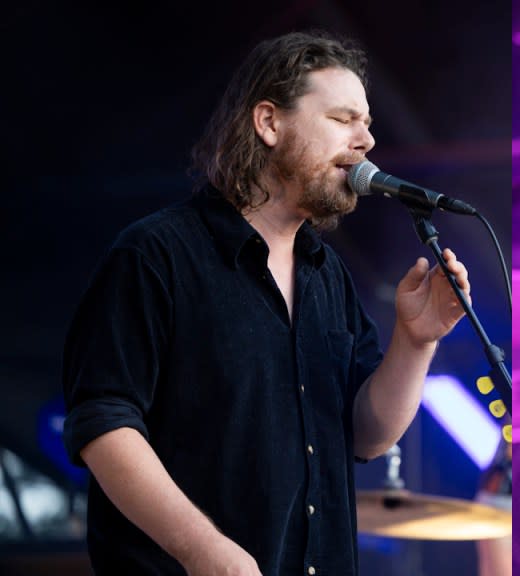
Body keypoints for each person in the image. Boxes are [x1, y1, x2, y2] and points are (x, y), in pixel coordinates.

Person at [61, 30, 471, 576]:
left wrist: (416, 342)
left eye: (367, 122)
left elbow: (366, 436)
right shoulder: (156, 254)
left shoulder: (328, 278)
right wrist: (203, 550)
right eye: (343, 118)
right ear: (269, 123)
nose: (367, 139)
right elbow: (104, 423)